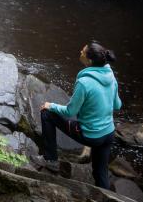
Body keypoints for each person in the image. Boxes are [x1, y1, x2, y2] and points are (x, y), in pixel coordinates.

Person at [32, 41, 122, 189]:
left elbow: (70, 112)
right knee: (100, 172)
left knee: (47, 113)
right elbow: (117, 105)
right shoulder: (110, 75)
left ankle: (51, 161)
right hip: (108, 134)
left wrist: (50, 105)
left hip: (90, 135)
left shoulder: (84, 82)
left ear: (90, 60)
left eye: (83, 52)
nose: (80, 52)